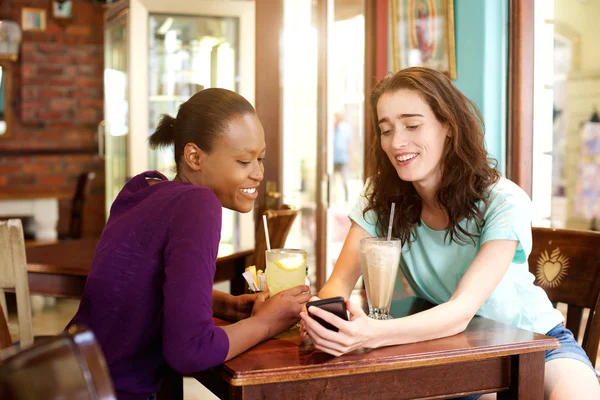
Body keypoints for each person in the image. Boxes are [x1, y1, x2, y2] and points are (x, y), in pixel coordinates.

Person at [300, 68, 600, 400]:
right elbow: (338, 285)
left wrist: (373, 334)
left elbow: (461, 310)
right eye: (386, 129)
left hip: (535, 340)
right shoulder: (381, 199)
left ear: (448, 127)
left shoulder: (503, 201)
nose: (397, 142)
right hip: (452, 348)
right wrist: (322, 318)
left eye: (412, 125)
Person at [67, 88, 311, 400]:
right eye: (243, 161)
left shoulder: (141, 188)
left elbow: (142, 288)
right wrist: (267, 323)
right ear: (194, 157)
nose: (259, 173)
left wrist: (227, 304)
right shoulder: (199, 203)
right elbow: (190, 351)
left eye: (260, 159)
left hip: (69, 375)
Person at [333, 111, 352, 202]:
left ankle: (346, 200)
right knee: (332, 181)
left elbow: (349, 144)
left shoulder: (346, 128)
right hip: (332, 160)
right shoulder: (331, 127)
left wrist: (350, 158)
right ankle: (332, 199)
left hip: (343, 159)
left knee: (344, 180)